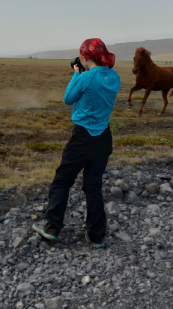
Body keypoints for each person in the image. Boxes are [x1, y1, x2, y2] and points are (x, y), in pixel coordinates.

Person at [33, 38, 121, 248]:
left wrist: (76, 73)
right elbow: (100, 80)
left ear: (83, 57)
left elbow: (68, 98)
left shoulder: (86, 77)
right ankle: (96, 235)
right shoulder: (114, 76)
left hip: (83, 137)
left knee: (62, 180)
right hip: (103, 137)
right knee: (93, 185)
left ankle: (52, 228)